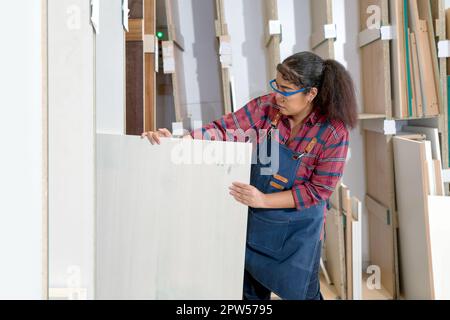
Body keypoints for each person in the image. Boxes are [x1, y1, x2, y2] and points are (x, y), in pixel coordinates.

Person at [142, 51, 358, 300]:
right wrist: (180, 143)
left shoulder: (333, 132)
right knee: (249, 297)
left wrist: (263, 200)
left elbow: (318, 191)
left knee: (304, 296)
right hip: (257, 226)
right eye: (276, 85)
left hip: (297, 235)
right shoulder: (268, 108)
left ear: (311, 94)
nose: (278, 95)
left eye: (286, 90)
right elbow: (224, 129)